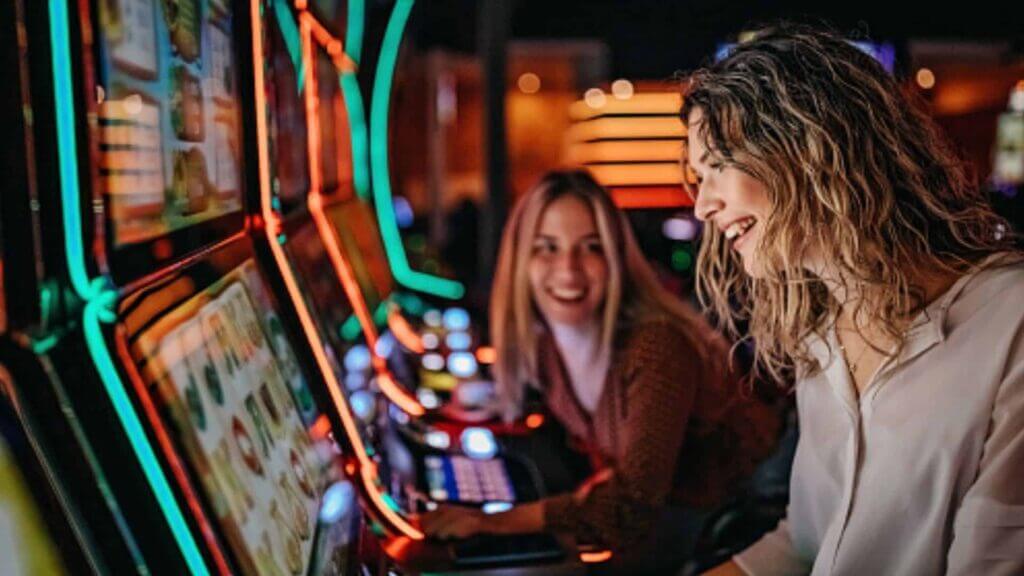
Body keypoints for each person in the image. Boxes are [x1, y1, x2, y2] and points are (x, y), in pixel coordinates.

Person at [681, 24, 1024, 576]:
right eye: (698, 178)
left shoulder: (1011, 324)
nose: (702, 206)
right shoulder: (820, 334)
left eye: (719, 165)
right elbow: (807, 545)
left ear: (812, 147)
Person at [419, 170, 780, 573]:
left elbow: (633, 505)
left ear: (615, 257)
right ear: (521, 260)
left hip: (733, 529)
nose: (568, 270)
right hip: (672, 520)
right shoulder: (544, 349)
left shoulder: (656, 346)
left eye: (590, 247)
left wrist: (493, 521)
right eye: (547, 248)